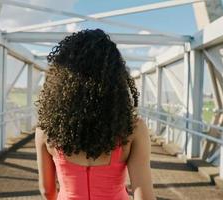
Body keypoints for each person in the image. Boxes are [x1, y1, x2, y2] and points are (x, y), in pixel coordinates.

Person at [35, 29, 155, 200]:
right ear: (116, 78)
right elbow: (145, 197)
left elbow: (47, 190)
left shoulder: (46, 130)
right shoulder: (133, 129)